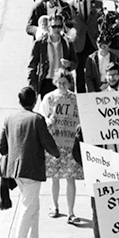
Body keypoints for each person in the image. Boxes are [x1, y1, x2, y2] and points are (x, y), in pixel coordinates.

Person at [0, 86, 60, 238]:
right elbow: (47, 141)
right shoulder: (37, 119)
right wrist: (57, 153)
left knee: (33, 204)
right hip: (32, 169)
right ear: (34, 101)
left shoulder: (9, 118)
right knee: (28, 206)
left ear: (19, 101)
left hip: (15, 169)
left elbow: (1, 147)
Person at [40, 69, 83, 224]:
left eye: (65, 82)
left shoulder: (76, 99)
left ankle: (71, 212)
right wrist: (48, 120)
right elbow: (41, 117)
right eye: (59, 82)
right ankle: (55, 206)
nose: (62, 85)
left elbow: (83, 118)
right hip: (54, 144)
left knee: (70, 178)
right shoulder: (49, 98)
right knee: (55, 178)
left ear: (70, 82)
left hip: (71, 144)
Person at [27, 13, 78, 98]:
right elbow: (32, 65)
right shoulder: (40, 44)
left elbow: (75, 62)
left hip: (62, 82)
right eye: (54, 27)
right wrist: (33, 86)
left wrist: (69, 64)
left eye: (59, 26)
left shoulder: (67, 42)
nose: (57, 29)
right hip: (46, 82)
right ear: (49, 27)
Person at [70, 0, 104, 93]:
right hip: (79, 42)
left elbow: (101, 22)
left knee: (94, 71)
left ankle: (94, 94)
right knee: (79, 73)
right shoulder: (70, 4)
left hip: (92, 42)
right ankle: (81, 97)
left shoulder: (97, 4)